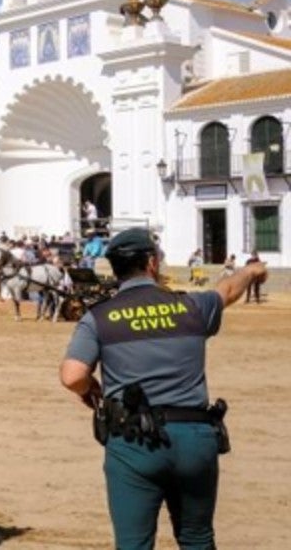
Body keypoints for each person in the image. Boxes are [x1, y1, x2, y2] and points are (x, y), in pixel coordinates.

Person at [59, 227, 267, 549]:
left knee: (133, 544)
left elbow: (72, 376)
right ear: (152, 263)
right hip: (195, 437)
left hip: (134, 442)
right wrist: (251, 270)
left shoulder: (99, 317)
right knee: (198, 539)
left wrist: (92, 389)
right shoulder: (192, 307)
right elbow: (227, 290)